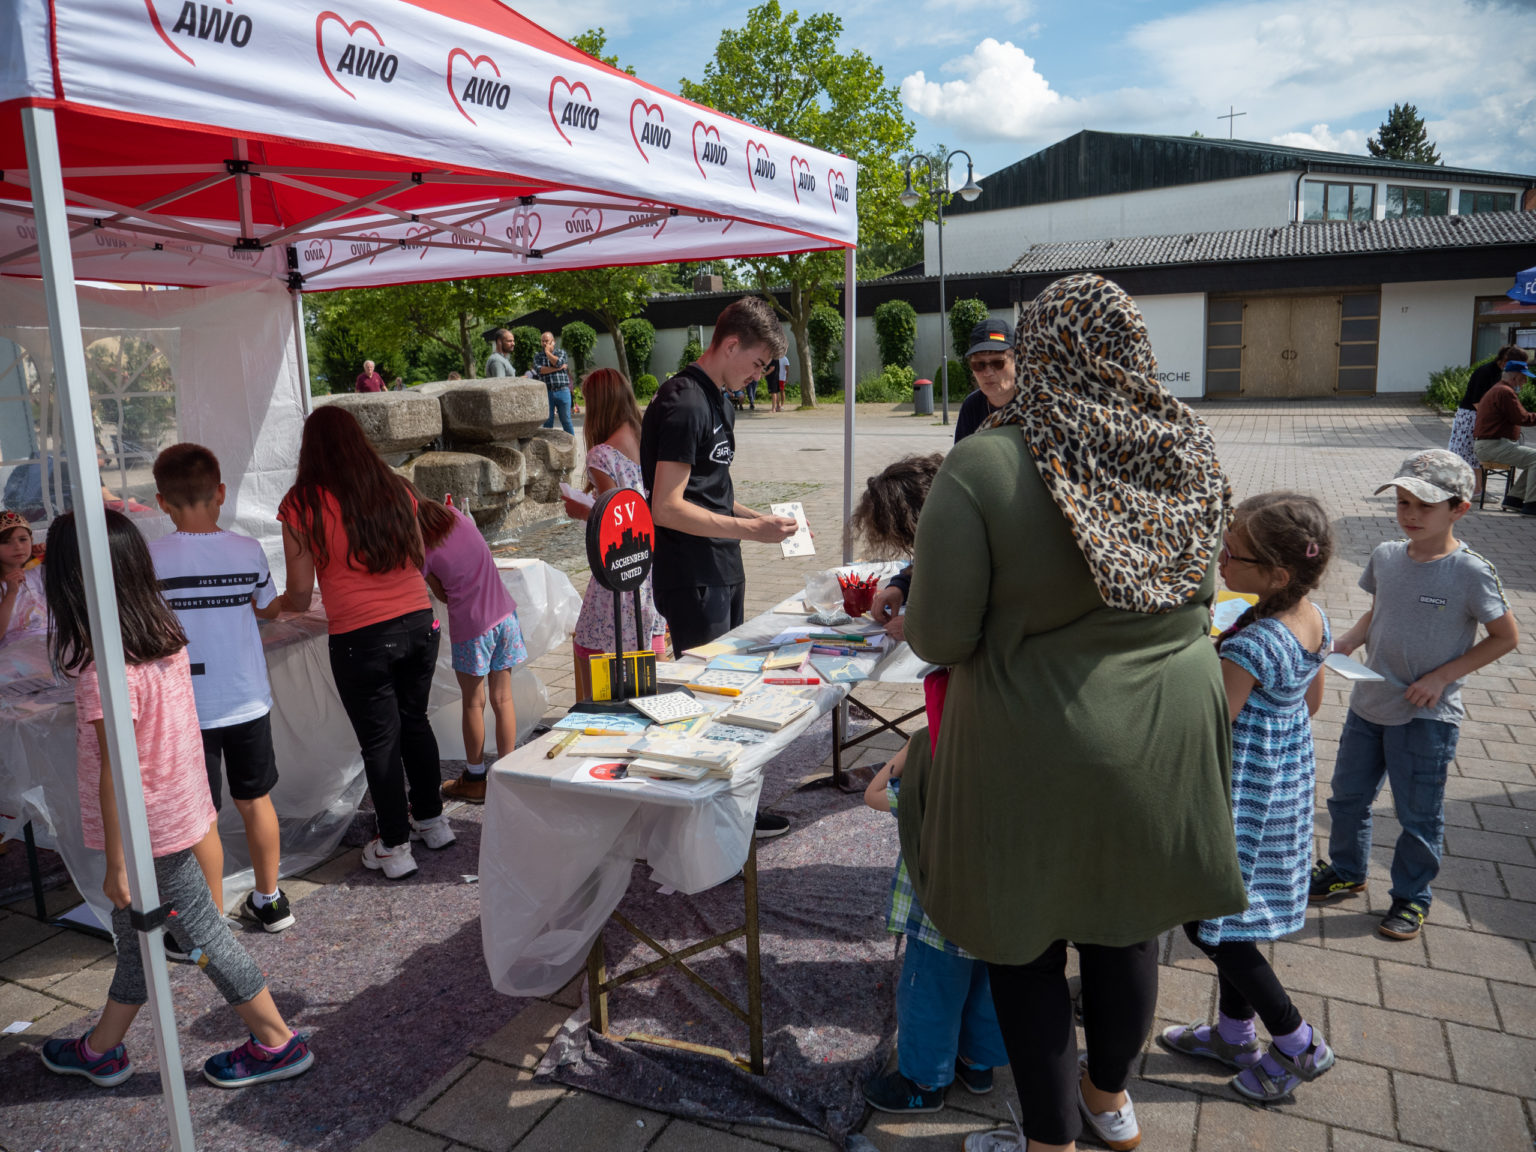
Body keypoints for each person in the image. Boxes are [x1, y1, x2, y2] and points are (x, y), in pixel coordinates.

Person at [900, 274, 1246, 1152]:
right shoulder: (1189, 449)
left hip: (1034, 739)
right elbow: (1206, 590)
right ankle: (1108, 1099)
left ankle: (1049, 1138)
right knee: (1126, 927)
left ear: (1039, 353)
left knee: (1023, 943)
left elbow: (938, 635)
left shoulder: (985, 462)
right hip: (1167, 730)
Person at [38, 509, 313, 1090]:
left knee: (201, 933)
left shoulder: (102, 664)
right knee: (137, 936)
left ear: (70, 582)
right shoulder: (159, 633)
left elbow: (116, 771)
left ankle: (275, 1041)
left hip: (147, 828)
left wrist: (117, 862)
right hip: (175, 807)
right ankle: (102, 1048)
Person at [1159, 492, 1336, 1103]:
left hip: (1240, 801)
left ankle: (1296, 1041)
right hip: (1283, 789)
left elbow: (1212, 725)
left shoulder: (1251, 644)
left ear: (1277, 575)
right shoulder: (1312, 618)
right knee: (1238, 915)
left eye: (1232, 553)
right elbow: (1310, 704)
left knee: (1211, 924)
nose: (1220, 558)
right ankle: (1233, 1035)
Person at [1311, 450, 1517, 941]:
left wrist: (1443, 677)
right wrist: (1347, 642)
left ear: (1459, 509)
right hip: (1369, 705)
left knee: (1417, 813)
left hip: (1426, 717)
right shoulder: (1384, 556)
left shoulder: (1471, 572)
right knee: (1347, 799)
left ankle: (1410, 897)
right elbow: (1376, 613)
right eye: (1403, 502)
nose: (1410, 515)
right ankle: (1347, 870)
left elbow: (1505, 637)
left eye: (1425, 506)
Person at [640, 296, 798, 837]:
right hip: (693, 574)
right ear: (730, 344)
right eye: (756, 364)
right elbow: (666, 505)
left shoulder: (719, 399)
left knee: (731, 693)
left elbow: (711, 494)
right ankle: (706, 821)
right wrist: (752, 531)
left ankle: (731, 808)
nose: (758, 377)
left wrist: (761, 518)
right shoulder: (684, 403)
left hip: (721, 567)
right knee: (704, 699)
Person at [276, 406, 450, 881]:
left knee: (380, 741)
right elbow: (417, 552)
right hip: (418, 621)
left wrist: (270, 608)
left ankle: (393, 844)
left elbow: (296, 593)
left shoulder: (301, 504)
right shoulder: (393, 485)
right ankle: (432, 821)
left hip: (360, 635)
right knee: (415, 723)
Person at [148, 444, 293, 933]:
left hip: (187, 703)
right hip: (247, 694)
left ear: (161, 501)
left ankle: (207, 921)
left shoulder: (151, 559)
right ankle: (270, 901)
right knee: (256, 800)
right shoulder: (247, 549)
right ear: (221, 493)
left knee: (201, 815)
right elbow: (269, 607)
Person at [862, 732, 1009, 1115]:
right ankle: (978, 1066)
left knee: (929, 998)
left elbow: (873, 793)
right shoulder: (1020, 766)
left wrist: (911, 749)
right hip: (999, 916)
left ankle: (923, 1084)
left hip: (939, 918)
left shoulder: (933, 771)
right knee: (989, 989)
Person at [868, 320, 1017, 640]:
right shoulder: (973, 408)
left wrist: (923, 626)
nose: (988, 371)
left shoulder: (1042, 409)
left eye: (997, 361)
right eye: (979, 364)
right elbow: (956, 501)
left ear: (1017, 359)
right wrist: (902, 585)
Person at [413, 482, 526, 803]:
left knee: (474, 703)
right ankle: (507, 774)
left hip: (473, 627)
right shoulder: (456, 516)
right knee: (503, 699)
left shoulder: (422, 547)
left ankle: (475, 778)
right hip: (505, 616)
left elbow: (442, 595)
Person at [561, 368, 667, 702]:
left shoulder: (602, 455)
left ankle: (597, 722)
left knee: (589, 644)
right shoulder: (650, 438)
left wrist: (582, 510)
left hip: (620, 574)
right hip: (653, 565)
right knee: (652, 650)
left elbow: (615, 520)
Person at [1450, 346, 1523, 491]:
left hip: (1482, 417)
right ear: (1503, 361)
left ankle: (1476, 489)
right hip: (1471, 417)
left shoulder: (1502, 374)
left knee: (1475, 457)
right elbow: (1477, 401)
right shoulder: (1485, 372)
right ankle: (1471, 489)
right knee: (1468, 454)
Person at [1471, 357, 1536, 514]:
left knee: (1532, 459)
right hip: (1493, 446)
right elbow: (1521, 418)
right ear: (1515, 377)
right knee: (1535, 458)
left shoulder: (1499, 389)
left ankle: (1514, 499)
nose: (1525, 382)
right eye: (1524, 378)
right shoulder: (1505, 392)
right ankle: (1532, 504)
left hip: (1490, 445)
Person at [0, 508, 47, 644]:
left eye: (23, 539)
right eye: (5, 542)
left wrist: (52, 555)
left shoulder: (39, 571)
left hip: (53, 642)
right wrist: (11, 593)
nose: (18, 547)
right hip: (16, 654)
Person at [535, 331, 574, 434]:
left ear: (553, 342)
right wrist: (558, 369)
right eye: (542, 341)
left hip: (563, 391)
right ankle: (547, 446)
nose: (544, 343)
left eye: (547, 341)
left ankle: (573, 445)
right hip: (547, 392)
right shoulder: (538, 356)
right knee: (548, 421)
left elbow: (558, 362)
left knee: (566, 420)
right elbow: (540, 370)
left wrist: (548, 353)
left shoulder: (561, 353)